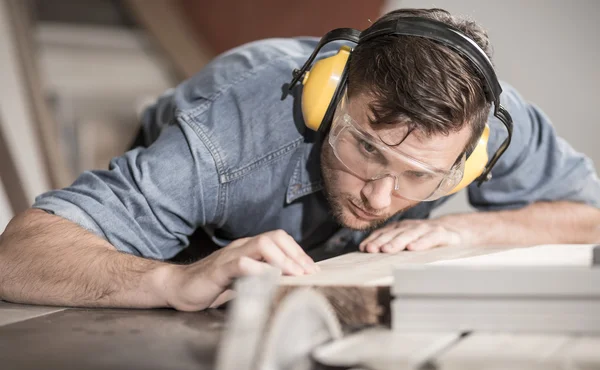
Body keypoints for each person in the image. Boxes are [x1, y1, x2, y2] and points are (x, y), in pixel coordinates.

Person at [1, 8, 599, 311]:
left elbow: (589, 215)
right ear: (327, 103)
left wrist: (465, 227)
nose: (381, 199)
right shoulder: (230, 136)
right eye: (366, 149)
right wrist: (174, 278)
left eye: (422, 175)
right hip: (201, 224)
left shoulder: (485, 123)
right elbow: (18, 256)